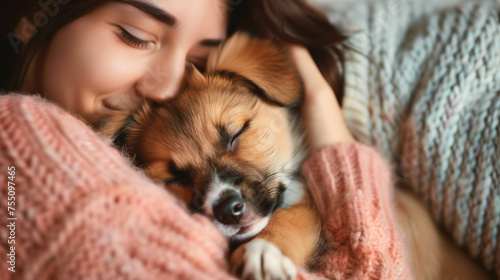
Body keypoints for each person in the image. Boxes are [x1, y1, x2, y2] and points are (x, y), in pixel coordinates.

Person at [0, 0, 496, 279]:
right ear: (33, 16)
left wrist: (330, 129)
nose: (168, 86)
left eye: (197, 55)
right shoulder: (19, 155)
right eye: (134, 35)